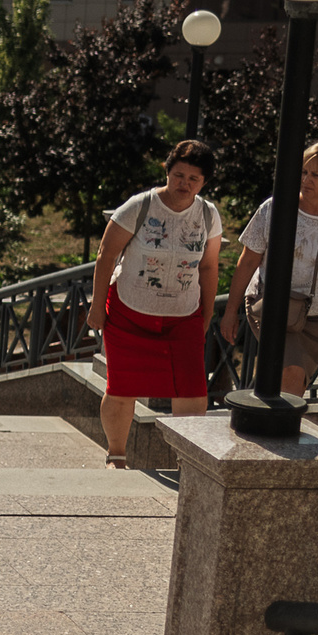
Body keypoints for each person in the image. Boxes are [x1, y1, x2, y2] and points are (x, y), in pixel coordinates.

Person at [86, 140, 222, 468]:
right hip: (130, 311)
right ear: (167, 171)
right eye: (179, 175)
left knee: (191, 389)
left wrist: (208, 310)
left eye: (193, 179)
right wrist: (95, 306)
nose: (184, 184)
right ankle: (116, 455)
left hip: (182, 315)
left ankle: (189, 462)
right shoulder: (140, 206)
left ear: (204, 182)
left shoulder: (208, 214)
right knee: (122, 385)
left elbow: (208, 266)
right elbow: (106, 255)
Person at [223, 138, 318, 398]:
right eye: (304, 172)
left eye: (316, 175)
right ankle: (274, 432)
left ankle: (261, 424)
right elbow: (247, 261)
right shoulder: (274, 208)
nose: (306, 180)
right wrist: (230, 311)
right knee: (291, 375)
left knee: (293, 385)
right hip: (271, 305)